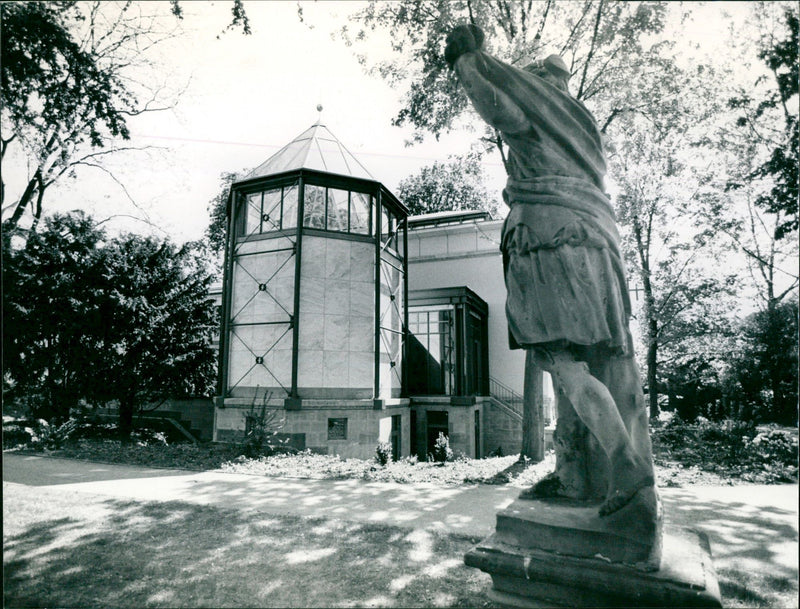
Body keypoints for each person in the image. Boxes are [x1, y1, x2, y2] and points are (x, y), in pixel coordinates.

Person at [445, 24, 656, 517]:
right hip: (595, 245)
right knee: (596, 362)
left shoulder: (539, 114)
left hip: (548, 244)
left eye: (533, 79)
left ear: (541, 84)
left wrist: (467, 64)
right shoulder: (582, 125)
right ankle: (575, 475)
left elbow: (502, 111)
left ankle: (625, 468)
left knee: (566, 365)